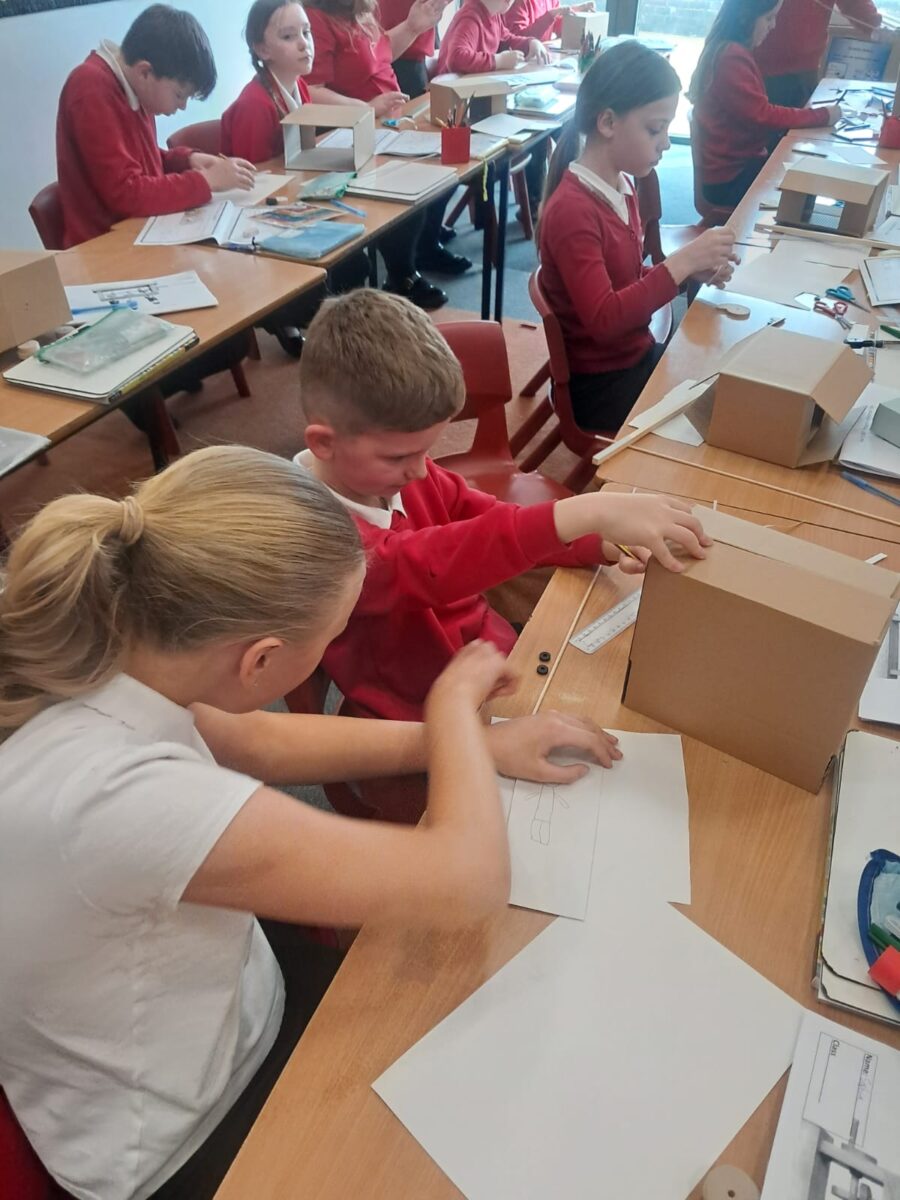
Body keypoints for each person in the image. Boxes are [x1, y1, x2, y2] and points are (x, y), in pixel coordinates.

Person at [0, 444, 620, 1200]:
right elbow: (468, 882)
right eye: (330, 637)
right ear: (259, 664)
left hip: (229, 1003)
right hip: (183, 1137)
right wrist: (455, 709)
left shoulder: (115, 643)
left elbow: (256, 738)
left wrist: (474, 744)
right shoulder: (113, 797)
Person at [291, 288, 712, 820]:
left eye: (426, 450)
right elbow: (432, 564)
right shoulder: (318, 541)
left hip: (486, 668)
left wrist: (593, 542)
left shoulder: (403, 475)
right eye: (400, 456)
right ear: (324, 444)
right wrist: (587, 512)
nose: (421, 469)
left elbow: (484, 516)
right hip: (410, 727)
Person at [538, 42, 738, 432]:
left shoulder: (623, 186)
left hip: (632, 360)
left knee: (727, 378)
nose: (666, 142)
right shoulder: (573, 211)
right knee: (726, 414)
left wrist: (686, 272)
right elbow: (605, 319)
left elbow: (625, 283)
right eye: (654, 129)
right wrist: (680, 263)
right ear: (608, 123)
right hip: (602, 387)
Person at [303, 0, 465, 305]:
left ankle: (413, 260)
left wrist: (413, 27)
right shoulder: (317, 18)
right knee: (410, 184)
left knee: (441, 170)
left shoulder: (360, 11)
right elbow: (309, 90)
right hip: (354, 134)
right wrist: (365, 108)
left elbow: (382, 52)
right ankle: (402, 274)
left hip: (387, 124)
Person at [56, 3, 255, 249]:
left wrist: (186, 160)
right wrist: (205, 181)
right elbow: (126, 194)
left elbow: (138, 160)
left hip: (141, 232)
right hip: (105, 245)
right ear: (145, 72)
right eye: (179, 95)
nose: (182, 106)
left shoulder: (133, 88)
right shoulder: (90, 89)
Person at [689, 0, 841, 211]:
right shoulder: (731, 57)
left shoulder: (729, 50)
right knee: (811, 181)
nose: (773, 25)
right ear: (746, 17)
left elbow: (760, 113)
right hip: (730, 180)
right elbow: (763, 115)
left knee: (808, 172)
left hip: (737, 169)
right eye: (769, 18)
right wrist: (822, 116)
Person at [755, 0, 882, 107]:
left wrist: (875, 25)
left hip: (805, 72)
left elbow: (856, 6)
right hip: (757, 67)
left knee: (803, 125)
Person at [434, 0, 549, 75]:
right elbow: (456, 59)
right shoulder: (470, 17)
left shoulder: (494, 15)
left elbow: (507, 39)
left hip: (471, 87)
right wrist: (499, 61)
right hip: (451, 95)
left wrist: (530, 42)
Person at [503, 0, 593, 43]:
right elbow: (518, 38)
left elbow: (557, 25)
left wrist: (577, 11)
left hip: (541, 55)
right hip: (523, 59)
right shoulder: (518, 2)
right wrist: (550, 15)